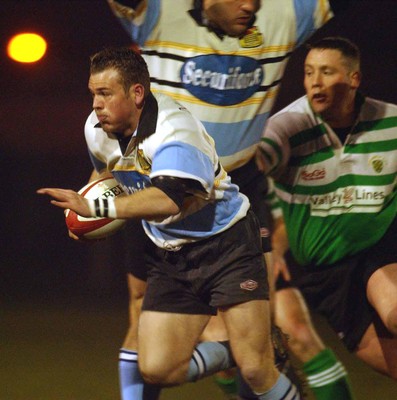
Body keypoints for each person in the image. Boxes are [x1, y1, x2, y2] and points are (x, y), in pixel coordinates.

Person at [105, 1, 354, 399]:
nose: (251, 5)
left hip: (237, 187)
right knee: (142, 310)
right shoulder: (159, 13)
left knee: (254, 336)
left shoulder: (283, 14)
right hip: (162, 184)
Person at [37, 46, 301, 400]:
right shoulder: (95, 127)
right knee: (158, 368)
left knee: (256, 370)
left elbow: (168, 200)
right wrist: (86, 216)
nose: (96, 104)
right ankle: (243, 344)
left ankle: (252, 352)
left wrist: (96, 208)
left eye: (104, 94)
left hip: (226, 246)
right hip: (170, 255)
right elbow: (105, 171)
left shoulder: (175, 130)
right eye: (92, 94)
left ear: (137, 93)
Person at [258, 36, 397, 384]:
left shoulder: (391, 123)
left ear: (353, 79)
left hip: (379, 248)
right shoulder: (288, 128)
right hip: (325, 274)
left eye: (326, 72)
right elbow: (252, 168)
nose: (315, 82)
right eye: (308, 73)